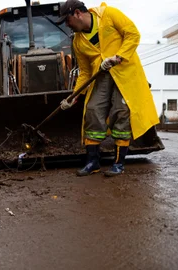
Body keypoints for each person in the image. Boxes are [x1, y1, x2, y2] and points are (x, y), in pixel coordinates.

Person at [57, 0, 159, 177]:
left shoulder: (109, 15)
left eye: (67, 20)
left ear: (77, 14)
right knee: (92, 110)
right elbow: (85, 72)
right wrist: (74, 95)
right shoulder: (78, 42)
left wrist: (118, 57)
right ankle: (92, 162)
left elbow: (133, 34)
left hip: (124, 73)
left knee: (122, 112)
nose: (67, 25)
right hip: (101, 76)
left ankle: (118, 164)